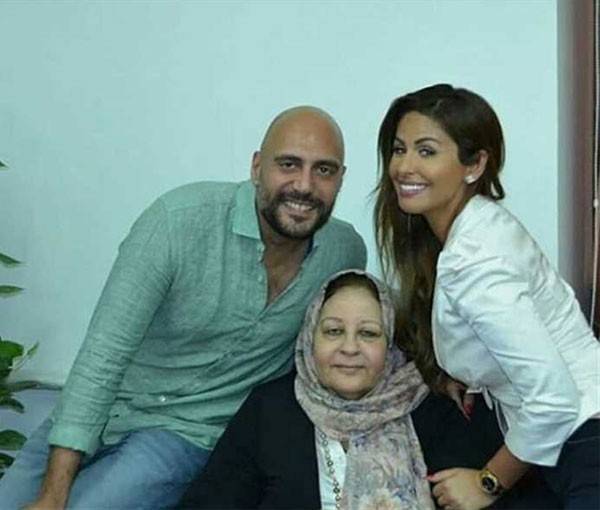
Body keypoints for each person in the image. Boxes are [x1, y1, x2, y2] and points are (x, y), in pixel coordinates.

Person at [0, 106, 367, 510]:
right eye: (288, 164)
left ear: (340, 179)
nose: (305, 185)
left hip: (183, 437)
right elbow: (103, 356)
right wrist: (52, 494)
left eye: (324, 170)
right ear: (256, 167)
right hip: (107, 408)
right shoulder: (176, 223)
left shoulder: (343, 253)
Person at [374, 83, 600, 510]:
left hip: (582, 440)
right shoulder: (476, 227)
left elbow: (553, 400)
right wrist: (468, 374)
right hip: (559, 442)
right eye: (399, 149)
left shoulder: (476, 258)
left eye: (426, 151)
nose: (404, 166)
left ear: (475, 164)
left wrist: (487, 482)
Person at [178, 270, 435, 510]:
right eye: (333, 331)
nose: (349, 348)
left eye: (368, 333)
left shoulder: (424, 406)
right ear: (310, 338)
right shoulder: (269, 410)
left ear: (391, 344)